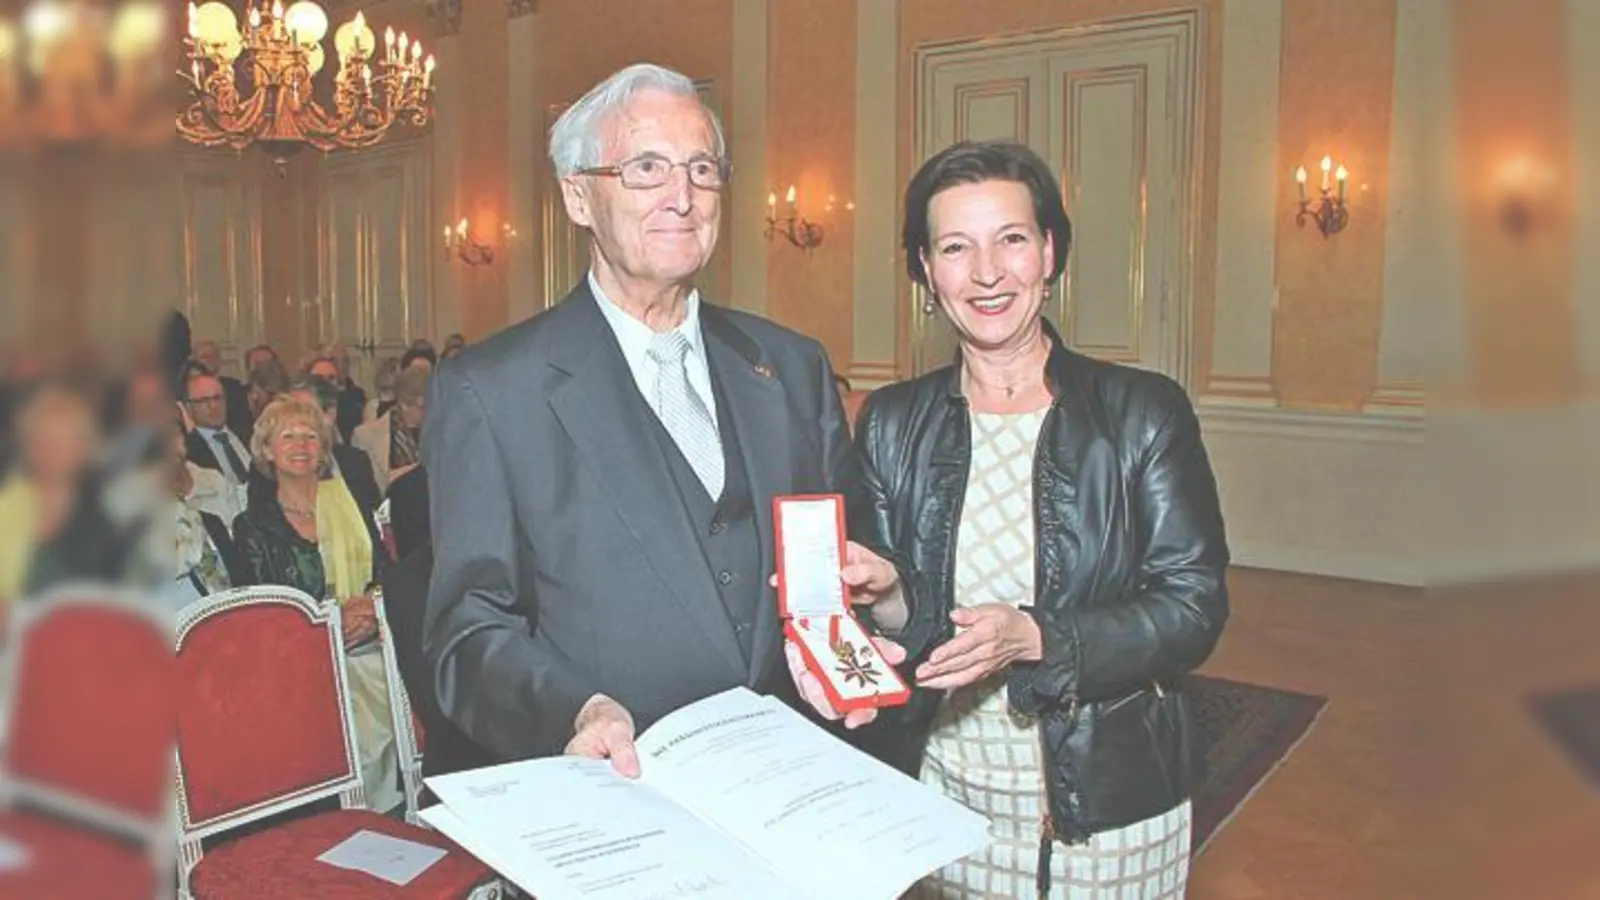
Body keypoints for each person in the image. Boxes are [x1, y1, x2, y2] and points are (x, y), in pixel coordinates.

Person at [423, 63, 903, 776]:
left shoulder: (792, 366)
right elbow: (467, 633)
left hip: (796, 781)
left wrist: (878, 602)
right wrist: (572, 710)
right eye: (647, 168)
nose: (682, 197)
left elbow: (848, 562)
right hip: (619, 796)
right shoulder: (493, 390)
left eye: (701, 169)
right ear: (579, 196)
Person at [848, 141, 1229, 899]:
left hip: (1108, 807)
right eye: (956, 247)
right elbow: (906, 625)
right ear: (926, 271)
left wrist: (1040, 637)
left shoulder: (1140, 413)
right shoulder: (891, 422)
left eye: (1011, 239)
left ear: (1049, 252)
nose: (987, 272)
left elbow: (1193, 609)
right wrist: (886, 593)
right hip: (945, 798)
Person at [231, 396, 401, 812]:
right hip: (298, 666)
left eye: (311, 436)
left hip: (371, 648)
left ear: (324, 450)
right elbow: (261, 613)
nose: (302, 445)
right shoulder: (253, 526)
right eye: (287, 436)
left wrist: (370, 608)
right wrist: (329, 625)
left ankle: (390, 813)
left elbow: (387, 575)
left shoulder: (353, 505)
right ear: (267, 451)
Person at [351, 365, 427, 493]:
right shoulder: (364, 436)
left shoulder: (444, 435)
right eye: (423, 406)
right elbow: (364, 489)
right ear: (404, 404)